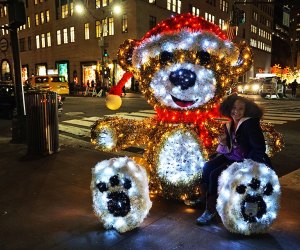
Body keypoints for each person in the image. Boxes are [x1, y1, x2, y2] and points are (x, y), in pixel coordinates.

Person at [195, 94, 272, 226]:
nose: (236, 111)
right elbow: (227, 148)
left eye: (240, 109)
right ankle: (204, 198)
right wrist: (224, 142)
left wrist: (248, 165)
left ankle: (211, 210)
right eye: (234, 108)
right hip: (231, 156)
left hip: (244, 160)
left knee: (215, 175)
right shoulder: (229, 124)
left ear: (246, 111)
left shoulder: (250, 124)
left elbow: (259, 148)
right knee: (207, 167)